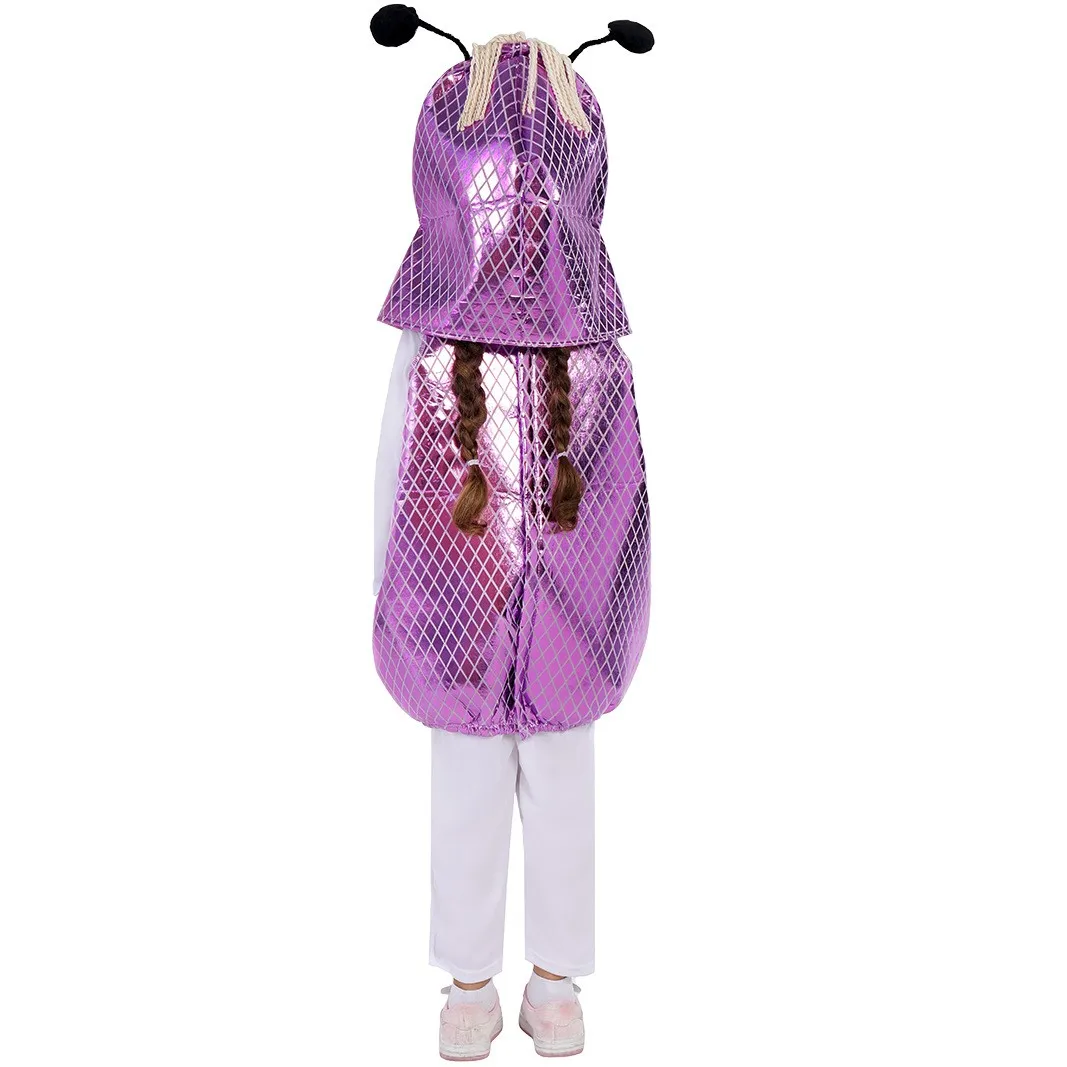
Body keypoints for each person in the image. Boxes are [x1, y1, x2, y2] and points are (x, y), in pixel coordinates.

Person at [369, 11, 655, 1059]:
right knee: (559, 759)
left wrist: (384, 582)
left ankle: (473, 989)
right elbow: (627, 497)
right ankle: (548, 988)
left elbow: (393, 470)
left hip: (461, 595)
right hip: (555, 596)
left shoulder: (434, 340)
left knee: (471, 762)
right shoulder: (596, 348)